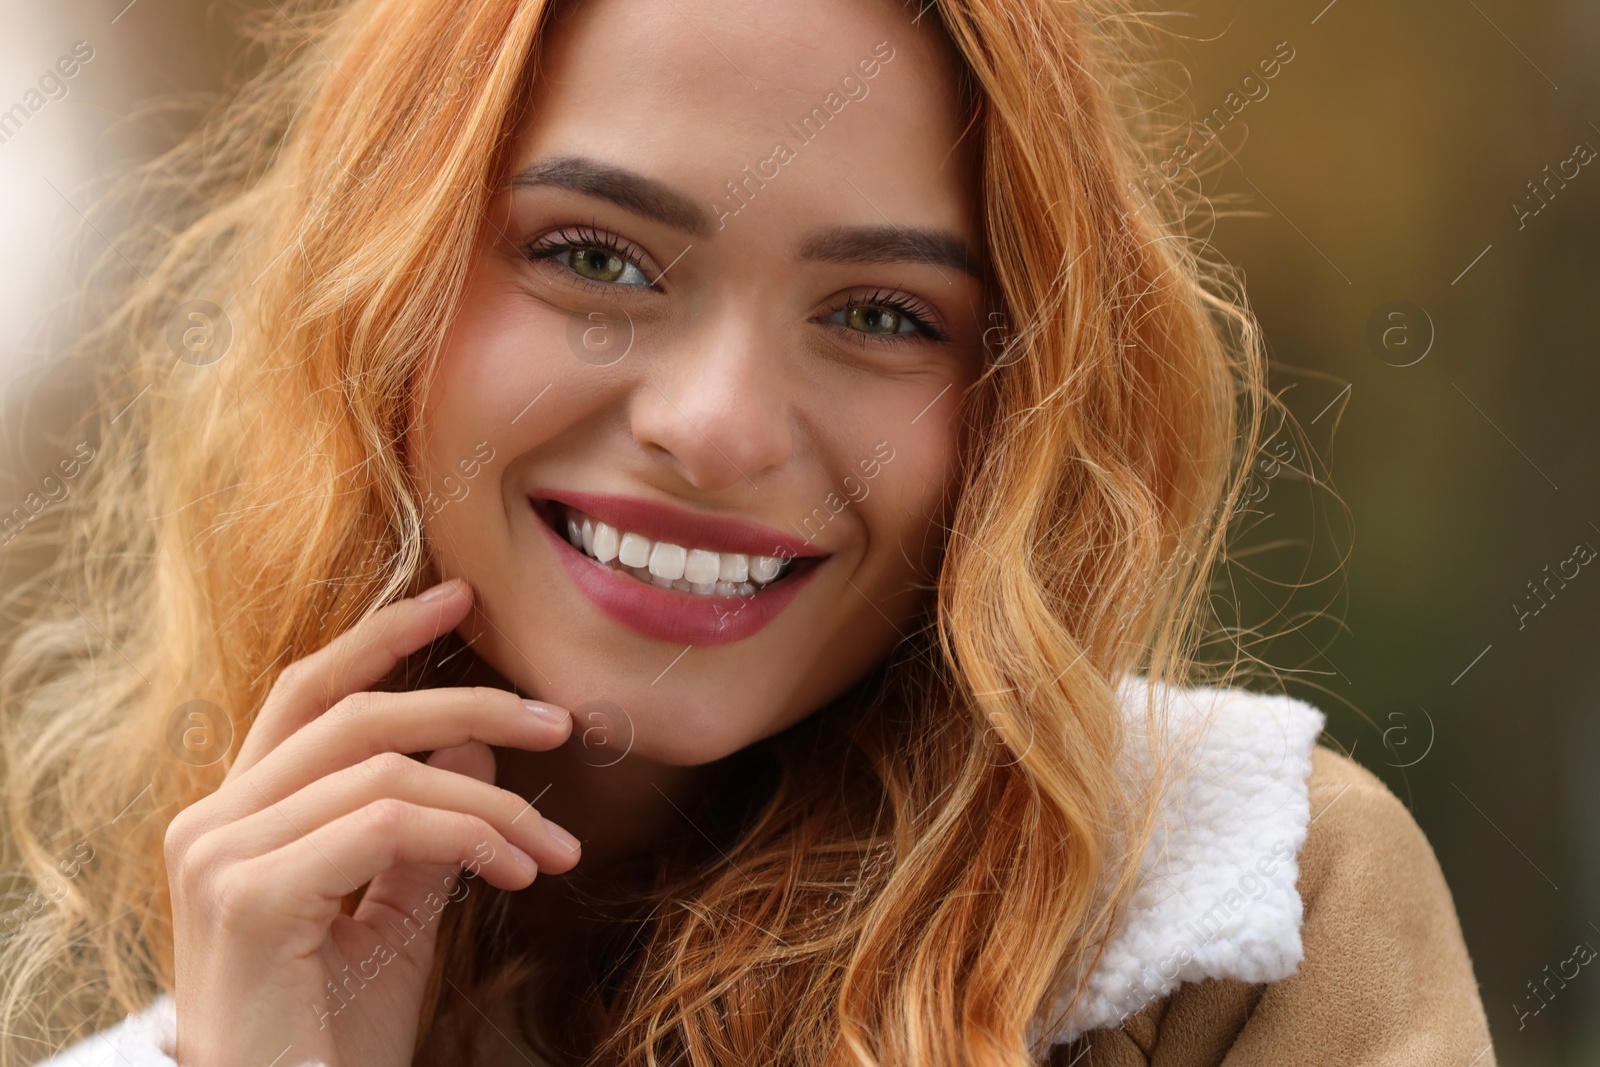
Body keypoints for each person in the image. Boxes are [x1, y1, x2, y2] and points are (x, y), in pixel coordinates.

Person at [0, 0, 1495, 1064]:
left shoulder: (1242, 915)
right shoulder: (221, 1030)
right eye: (596, 258)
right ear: (381, 293)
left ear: (1016, 401)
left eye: (880, 315)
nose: (715, 426)